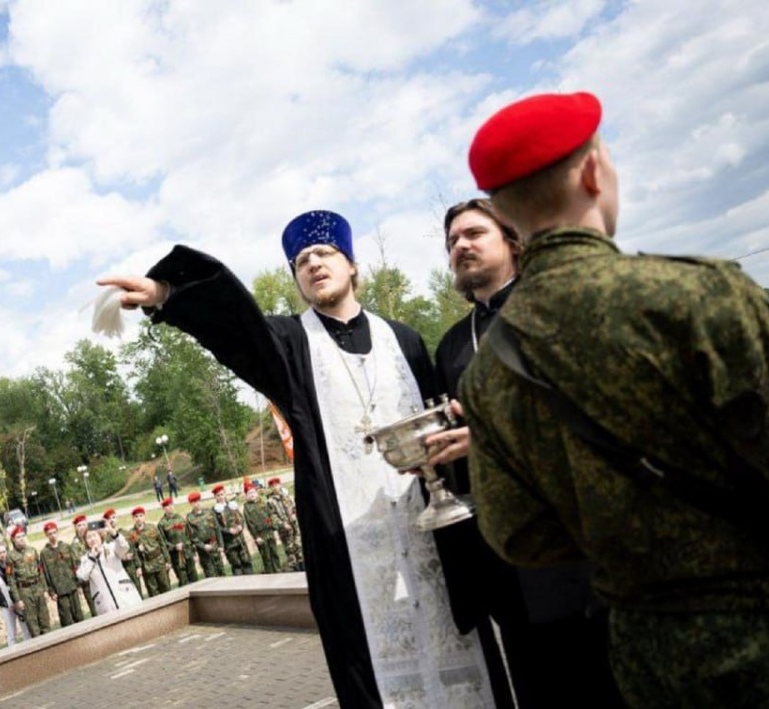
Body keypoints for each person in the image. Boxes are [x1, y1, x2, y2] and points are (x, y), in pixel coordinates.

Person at [460, 91, 769, 707]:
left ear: (503, 212)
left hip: (646, 655)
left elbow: (516, 534)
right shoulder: (699, 295)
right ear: (594, 172)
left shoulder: (487, 374)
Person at [99, 211, 492, 706]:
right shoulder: (290, 344)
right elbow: (235, 328)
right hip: (349, 550)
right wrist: (167, 295)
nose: (313, 264)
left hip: (428, 533)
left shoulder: (405, 339)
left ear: (352, 265)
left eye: (325, 253)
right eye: (301, 261)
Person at [425, 198, 622, 707]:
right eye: (452, 241)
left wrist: (489, 436)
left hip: (582, 550)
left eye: (474, 233)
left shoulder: (555, 308)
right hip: (507, 567)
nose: (460, 246)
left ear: (512, 239)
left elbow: (596, 413)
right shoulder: (452, 346)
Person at [76, 529, 143, 614]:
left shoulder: (111, 547)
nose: (92, 539)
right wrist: (92, 557)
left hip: (125, 594)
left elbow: (124, 547)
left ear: (100, 536)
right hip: (105, 603)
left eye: (94, 535)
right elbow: (82, 575)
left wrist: (114, 533)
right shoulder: (86, 559)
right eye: (88, 537)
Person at [6, 525, 51, 638]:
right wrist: (18, 599)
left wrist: (45, 590)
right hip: (24, 591)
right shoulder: (10, 556)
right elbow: (11, 580)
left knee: (44, 619)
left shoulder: (32, 550)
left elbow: (40, 571)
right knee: (33, 623)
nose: (21, 539)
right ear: (13, 539)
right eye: (18, 537)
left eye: (23, 536)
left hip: (38, 587)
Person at [39, 521, 85, 628]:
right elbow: (45, 574)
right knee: (67, 620)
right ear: (46, 535)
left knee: (79, 616)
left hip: (72, 586)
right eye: (50, 534)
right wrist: (51, 591)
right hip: (59, 591)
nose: (53, 535)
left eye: (54, 532)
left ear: (57, 532)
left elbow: (74, 566)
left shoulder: (66, 547)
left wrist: (78, 584)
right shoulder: (44, 553)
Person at [0, 543, 30, 646]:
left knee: (25, 627)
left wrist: (17, 600)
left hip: (17, 600)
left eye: (4, 552)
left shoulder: (11, 565)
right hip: (5, 603)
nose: (2, 555)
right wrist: (10, 603)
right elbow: (2, 586)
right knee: (11, 631)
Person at [127, 506, 172, 597]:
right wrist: (138, 566)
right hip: (146, 565)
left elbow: (162, 544)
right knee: (153, 590)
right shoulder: (132, 533)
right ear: (133, 518)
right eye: (136, 516)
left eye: (140, 516)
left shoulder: (152, 528)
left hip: (159, 561)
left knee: (165, 586)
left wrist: (167, 560)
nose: (139, 518)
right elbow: (133, 551)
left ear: (144, 516)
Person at [242, 483, 283, 574]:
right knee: (266, 557)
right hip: (260, 535)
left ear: (256, 492)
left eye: (253, 492)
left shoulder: (262, 502)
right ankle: (270, 574)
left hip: (269, 531)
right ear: (246, 496)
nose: (252, 495)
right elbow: (250, 524)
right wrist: (256, 537)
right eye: (249, 493)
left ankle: (278, 571)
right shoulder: (247, 507)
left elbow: (270, 514)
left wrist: (274, 526)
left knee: (274, 553)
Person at [102, 508, 144, 596]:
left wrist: (138, 566)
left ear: (117, 518)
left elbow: (133, 549)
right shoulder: (106, 539)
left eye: (114, 517)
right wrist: (123, 557)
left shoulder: (126, 533)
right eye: (109, 519)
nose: (112, 520)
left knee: (138, 593)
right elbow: (108, 556)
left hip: (131, 567)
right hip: (119, 570)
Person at [157, 497, 197, 586]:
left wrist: (193, 551)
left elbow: (189, 534)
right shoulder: (162, 524)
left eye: (171, 505)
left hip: (187, 552)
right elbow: (163, 542)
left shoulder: (180, 518)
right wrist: (174, 547)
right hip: (176, 556)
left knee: (194, 578)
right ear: (164, 508)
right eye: (167, 506)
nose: (170, 507)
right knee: (183, 580)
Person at [212, 484, 251, 575]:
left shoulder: (232, 505)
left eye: (222, 494)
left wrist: (240, 526)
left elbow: (241, 518)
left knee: (246, 561)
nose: (221, 497)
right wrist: (228, 531)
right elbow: (217, 527)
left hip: (240, 539)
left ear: (225, 494)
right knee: (236, 564)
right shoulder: (214, 510)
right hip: (229, 543)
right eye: (218, 495)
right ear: (215, 497)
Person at [185, 491, 226, 577]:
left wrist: (221, 545)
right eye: (194, 502)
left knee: (221, 571)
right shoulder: (190, 518)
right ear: (191, 504)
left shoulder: (209, 512)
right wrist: (203, 546)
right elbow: (192, 537)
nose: (197, 504)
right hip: (203, 550)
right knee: (210, 573)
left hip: (214, 545)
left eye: (198, 501)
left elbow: (217, 529)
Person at [265, 478, 302, 572]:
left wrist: (294, 514)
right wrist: (283, 524)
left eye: (277, 485)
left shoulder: (286, 496)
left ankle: (303, 567)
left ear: (280, 485)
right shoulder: (270, 501)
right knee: (290, 550)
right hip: (284, 530)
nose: (275, 487)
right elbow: (273, 516)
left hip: (294, 525)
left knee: (299, 547)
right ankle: (295, 570)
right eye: (272, 486)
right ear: (270, 488)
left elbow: (293, 507)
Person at [69, 515, 98, 617]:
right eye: (79, 525)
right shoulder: (75, 545)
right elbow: (77, 564)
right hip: (87, 582)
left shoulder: (92, 537)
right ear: (75, 528)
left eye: (84, 524)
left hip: (98, 576)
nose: (82, 527)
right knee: (95, 608)